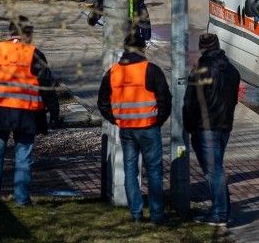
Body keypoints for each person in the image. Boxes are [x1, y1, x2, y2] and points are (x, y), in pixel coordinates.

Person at [0, 16, 60, 206]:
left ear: (10, 32)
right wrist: (54, 110)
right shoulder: (34, 54)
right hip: (25, 114)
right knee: (23, 158)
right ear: (28, 34)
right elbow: (46, 85)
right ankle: (22, 199)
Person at [97, 32, 172, 225]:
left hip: (127, 129)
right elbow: (165, 99)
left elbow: (102, 102)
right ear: (141, 49)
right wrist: (159, 120)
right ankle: (156, 215)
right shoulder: (150, 70)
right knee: (154, 171)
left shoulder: (113, 72)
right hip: (149, 127)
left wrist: (116, 119)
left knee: (130, 170)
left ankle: (136, 214)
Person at [184, 33, 241, 227]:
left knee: (213, 171)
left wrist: (189, 125)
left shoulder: (200, 70)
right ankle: (219, 209)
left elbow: (190, 102)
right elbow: (233, 100)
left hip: (205, 128)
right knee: (216, 169)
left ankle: (220, 213)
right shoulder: (232, 70)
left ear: (202, 48)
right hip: (224, 127)